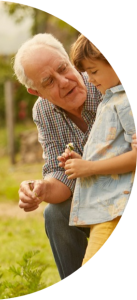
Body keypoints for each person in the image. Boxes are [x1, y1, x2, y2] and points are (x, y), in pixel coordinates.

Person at [13, 33, 137, 280]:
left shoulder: (107, 82)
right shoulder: (44, 111)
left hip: (124, 189)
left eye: (63, 68)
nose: (65, 81)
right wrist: (41, 189)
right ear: (35, 91)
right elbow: (61, 175)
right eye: (49, 81)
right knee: (55, 213)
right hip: (96, 196)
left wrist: (89, 166)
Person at [57, 33, 136, 266]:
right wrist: (80, 161)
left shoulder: (125, 102)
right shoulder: (109, 100)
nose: (90, 79)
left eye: (94, 71)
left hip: (115, 209)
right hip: (103, 209)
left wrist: (89, 167)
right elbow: (114, 151)